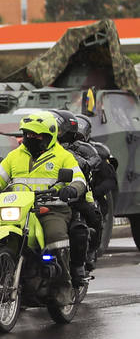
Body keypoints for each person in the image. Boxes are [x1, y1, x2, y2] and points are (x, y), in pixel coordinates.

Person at [0, 110, 88, 304]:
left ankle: (63, 286)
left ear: (49, 135)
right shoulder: (15, 155)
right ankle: (2, 275)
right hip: (20, 207)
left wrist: (72, 190)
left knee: (55, 236)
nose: (30, 138)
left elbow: (78, 179)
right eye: (27, 134)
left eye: (36, 135)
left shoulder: (63, 156)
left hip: (52, 208)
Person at [52, 110, 105, 276]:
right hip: (48, 193)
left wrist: (83, 162)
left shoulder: (83, 147)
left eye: (58, 128)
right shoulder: (47, 147)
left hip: (79, 193)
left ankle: (87, 255)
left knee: (93, 218)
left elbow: (95, 159)